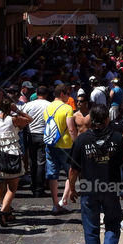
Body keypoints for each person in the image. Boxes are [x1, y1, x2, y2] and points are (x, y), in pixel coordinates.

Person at [64, 104, 123, 244]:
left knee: (91, 229)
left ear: (91, 120)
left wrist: (72, 188)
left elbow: (73, 169)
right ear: (107, 119)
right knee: (113, 224)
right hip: (111, 188)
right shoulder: (117, 139)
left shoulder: (81, 140)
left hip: (89, 189)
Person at [0, 90, 31, 226]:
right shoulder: (14, 120)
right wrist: (18, 111)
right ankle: (4, 211)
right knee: (12, 188)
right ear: (10, 107)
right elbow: (29, 120)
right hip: (13, 154)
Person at [44, 84, 78, 216]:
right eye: (68, 93)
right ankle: (64, 200)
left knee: (53, 175)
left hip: (50, 143)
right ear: (62, 94)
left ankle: (55, 204)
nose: (69, 96)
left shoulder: (47, 107)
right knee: (70, 172)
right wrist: (76, 143)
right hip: (66, 145)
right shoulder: (67, 108)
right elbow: (71, 129)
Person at [22, 85, 52, 197]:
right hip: (44, 135)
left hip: (31, 135)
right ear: (46, 94)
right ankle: (39, 188)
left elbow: (20, 116)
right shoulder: (49, 105)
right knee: (41, 162)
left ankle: (34, 186)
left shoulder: (28, 105)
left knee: (33, 162)